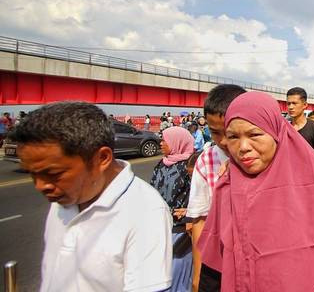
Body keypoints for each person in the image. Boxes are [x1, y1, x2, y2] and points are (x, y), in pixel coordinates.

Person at [197, 91, 314, 291]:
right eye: (232, 136)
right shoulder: (227, 187)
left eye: (254, 134)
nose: (242, 147)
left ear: (276, 133)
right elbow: (213, 268)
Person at [11, 102, 172, 291]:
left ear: (102, 158)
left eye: (53, 174)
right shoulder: (65, 197)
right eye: (32, 174)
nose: (40, 186)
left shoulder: (145, 211)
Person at [186, 84, 246, 291]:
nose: (222, 141)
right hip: (220, 264)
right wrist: (198, 274)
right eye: (214, 133)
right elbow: (200, 220)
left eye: (229, 133)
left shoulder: (267, 156)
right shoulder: (206, 160)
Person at [151, 126, 195, 292]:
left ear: (177, 142)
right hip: (161, 226)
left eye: (165, 140)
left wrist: (190, 215)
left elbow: (198, 195)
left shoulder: (189, 167)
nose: (161, 143)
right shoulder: (161, 165)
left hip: (181, 229)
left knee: (178, 272)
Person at [287, 87, 314, 158]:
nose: (290, 107)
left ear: (304, 105)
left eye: (294, 103)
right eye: (288, 103)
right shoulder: (284, 128)